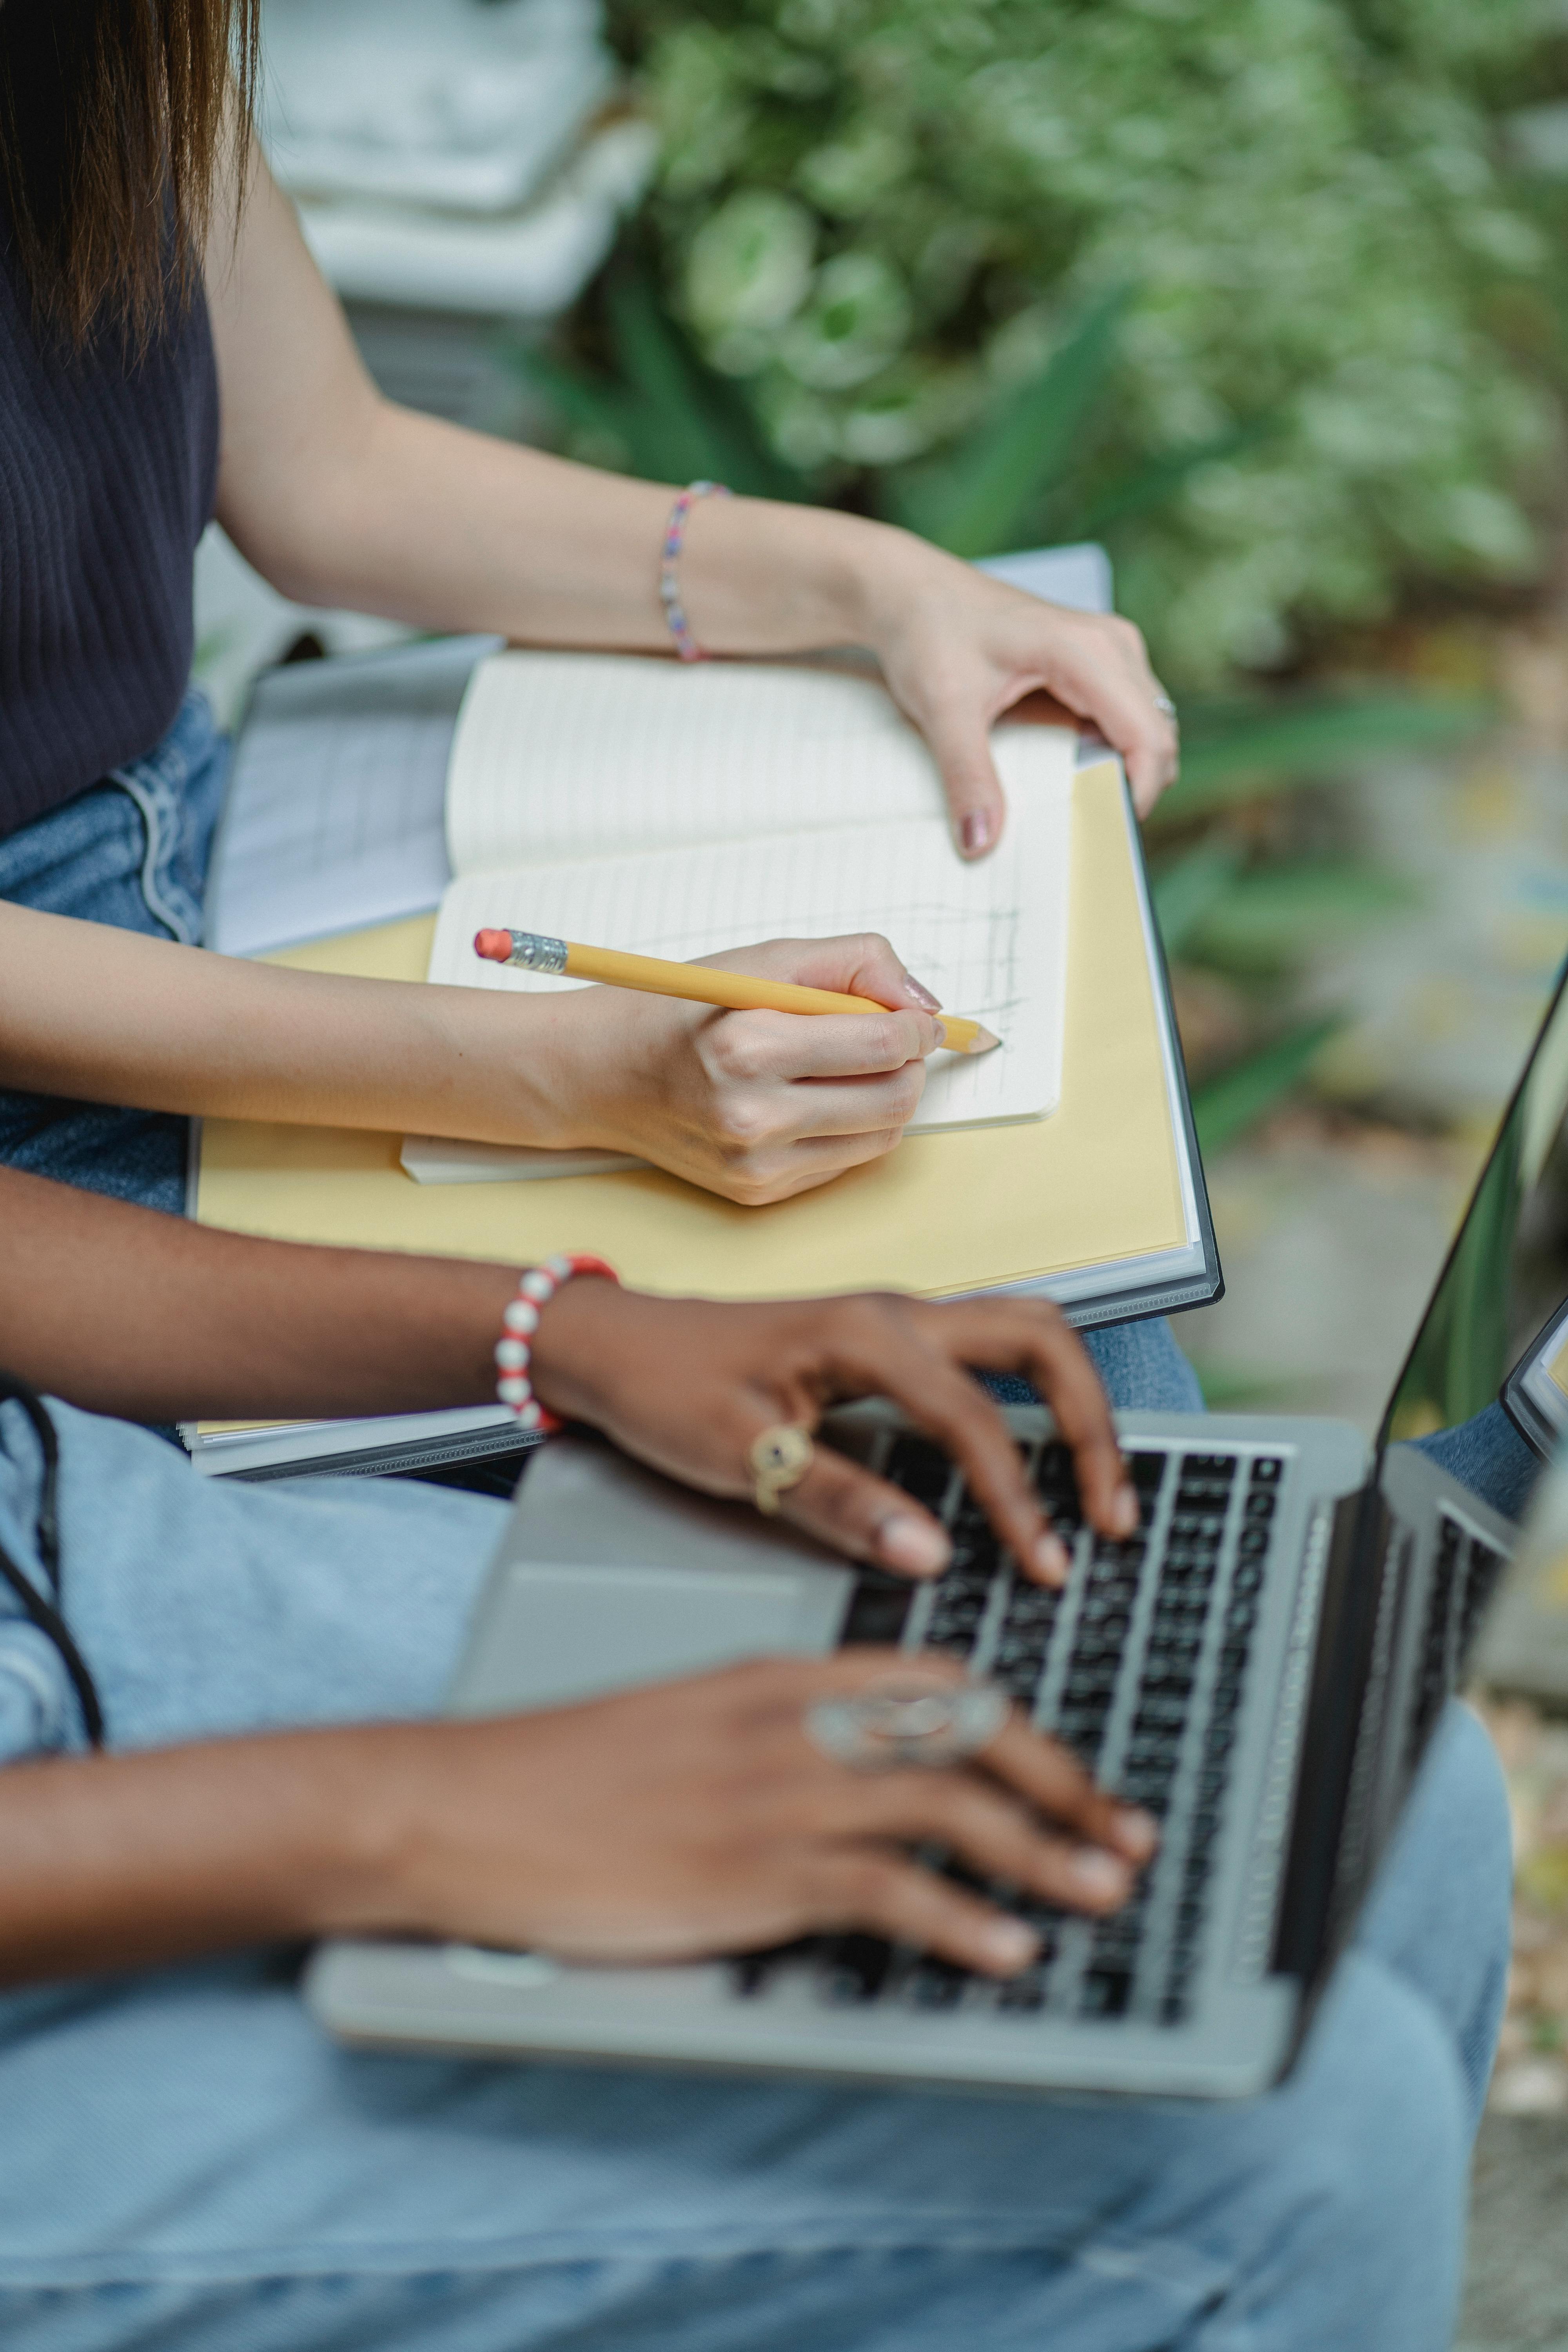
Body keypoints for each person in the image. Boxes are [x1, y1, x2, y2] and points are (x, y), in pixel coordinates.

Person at [0, 1267, 1516, 2352]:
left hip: (63, 1542)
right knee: (1294, 2147)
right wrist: (412, 1810)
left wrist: (562, 1331)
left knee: (1387, 1786)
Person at [0, 0, 1178, 1221]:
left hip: (194, 830)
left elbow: (330, 473)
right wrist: (563, 1073)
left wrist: (876, 588)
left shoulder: (109, 34)